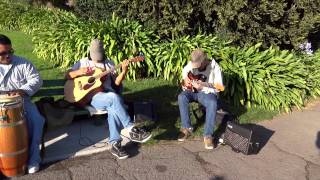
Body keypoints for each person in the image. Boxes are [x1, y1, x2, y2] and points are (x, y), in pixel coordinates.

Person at [65, 39, 152, 159]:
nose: (97, 58)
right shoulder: (82, 62)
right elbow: (67, 75)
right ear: (90, 53)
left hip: (109, 97)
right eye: (95, 56)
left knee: (113, 106)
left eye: (99, 56)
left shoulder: (109, 63)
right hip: (91, 98)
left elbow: (116, 83)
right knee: (113, 98)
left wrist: (124, 70)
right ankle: (131, 128)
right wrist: (80, 71)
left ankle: (115, 144)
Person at [0, 34, 45, 173]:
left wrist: (23, 90)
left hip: (22, 101)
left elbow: (36, 79)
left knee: (37, 121)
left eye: (10, 52)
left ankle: (34, 159)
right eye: (2, 53)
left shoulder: (23, 63)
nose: (8, 56)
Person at [178, 49, 224, 149]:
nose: (196, 68)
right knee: (182, 97)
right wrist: (185, 81)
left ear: (204, 61)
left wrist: (202, 87)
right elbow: (184, 74)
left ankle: (208, 135)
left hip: (206, 93)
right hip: (192, 91)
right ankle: (186, 127)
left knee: (212, 103)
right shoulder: (192, 63)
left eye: (198, 66)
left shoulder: (215, 67)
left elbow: (220, 87)